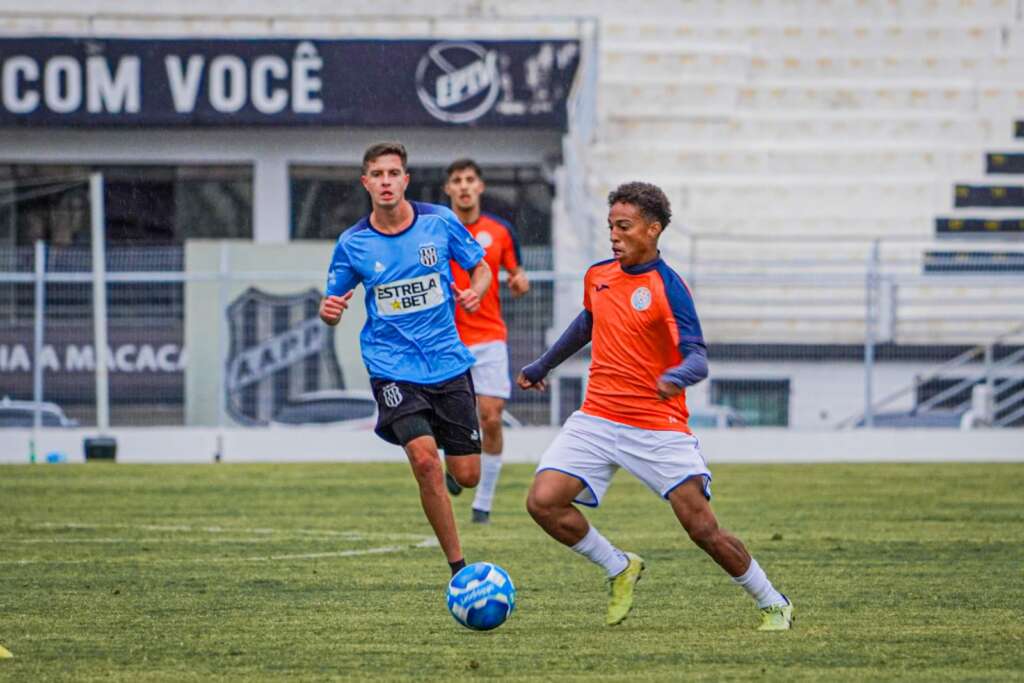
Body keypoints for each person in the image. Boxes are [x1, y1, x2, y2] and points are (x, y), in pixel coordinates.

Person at [517, 181, 793, 630]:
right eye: (611, 226)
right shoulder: (598, 275)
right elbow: (589, 321)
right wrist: (542, 364)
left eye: (623, 226)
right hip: (598, 418)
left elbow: (698, 356)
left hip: (656, 426)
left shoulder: (669, 287)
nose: (614, 235)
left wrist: (675, 377)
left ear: (653, 229)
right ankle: (618, 566)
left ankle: (772, 601)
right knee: (543, 501)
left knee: (702, 529)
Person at [319, 141, 492, 578]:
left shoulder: (439, 222)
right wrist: (329, 312)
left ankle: (452, 460)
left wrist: (476, 290)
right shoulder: (353, 243)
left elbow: (481, 267)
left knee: (468, 475)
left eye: (393, 173)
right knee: (424, 461)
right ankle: (459, 568)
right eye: (377, 174)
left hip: (448, 363)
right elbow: (332, 301)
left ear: (405, 180)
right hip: (391, 366)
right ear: (366, 183)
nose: (385, 182)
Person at [444, 158, 530, 524]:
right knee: (448, 420)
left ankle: (484, 502)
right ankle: (455, 466)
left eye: (469, 180)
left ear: (480, 187)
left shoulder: (500, 231)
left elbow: (517, 273)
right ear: (448, 189)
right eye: (457, 181)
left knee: (491, 417)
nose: (464, 186)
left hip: (489, 336)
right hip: (445, 339)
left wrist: (519, 283)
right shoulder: (435, 229)